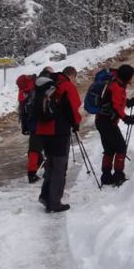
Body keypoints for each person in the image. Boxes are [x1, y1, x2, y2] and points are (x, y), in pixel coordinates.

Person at [33, 66, 82, 213]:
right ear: (72, 76)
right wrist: (76, 123)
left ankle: (45, 196)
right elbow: (74, 108)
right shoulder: (67, 86)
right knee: (59, 167)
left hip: (43, 131)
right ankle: (54, 202)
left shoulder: (49, 84)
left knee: (51, 164)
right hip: (59, 132)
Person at [95, 64, 134, 186]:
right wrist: (126, 118)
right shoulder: (116, 86)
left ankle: (106, 176)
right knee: (121, 147)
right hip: (107, 122)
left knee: (109, 149)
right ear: (126, 77)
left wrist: (128, 102)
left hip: (101, 121)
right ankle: (118, 176)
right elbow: (115, 106)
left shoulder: (115, 83)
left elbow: (114, 102)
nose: (131, 79)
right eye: (131, 77)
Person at [20, 67, 52, 184]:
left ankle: (33, 172)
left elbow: (23, 109)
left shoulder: (31, 90)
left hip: (32, 125)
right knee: (45, 148)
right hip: (43, 124)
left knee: (34, 149)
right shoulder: (45, 89)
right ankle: (37, 172)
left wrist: (25, 126)